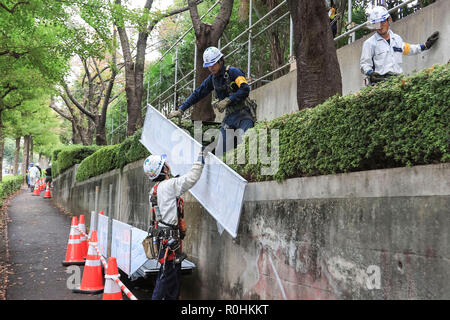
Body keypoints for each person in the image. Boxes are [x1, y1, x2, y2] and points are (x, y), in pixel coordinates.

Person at [167, 46, 255, 158]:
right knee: (220, 154)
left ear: (220, 61)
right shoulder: (212, 79)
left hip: (243, 116)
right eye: (208, 65)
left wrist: (229, 100)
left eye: (213, 64)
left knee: (247, 147)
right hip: (229, 118)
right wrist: (181, 109)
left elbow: (245, 88)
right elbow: (197, 93)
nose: (211, 68)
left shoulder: (233, 72)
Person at [143, 148, 206, 300]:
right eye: (165, 164)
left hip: (162, 241)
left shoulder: (154, 190)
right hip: (170, 243)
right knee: (166, 278)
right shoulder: (170, 186)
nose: (168, 165)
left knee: (172, 279)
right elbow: (191, 178)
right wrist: (200, 159)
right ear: (163, 169)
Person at [360, 6, 439, 85]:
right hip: (380, 83)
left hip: (398, 81)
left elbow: (408, 49)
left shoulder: (397, 39)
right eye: (377, 24)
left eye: (382, 22)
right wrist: (370, 73)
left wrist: (425, 46)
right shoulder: (369, 43)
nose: (380, 26)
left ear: (389, 20)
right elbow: (364, 64)